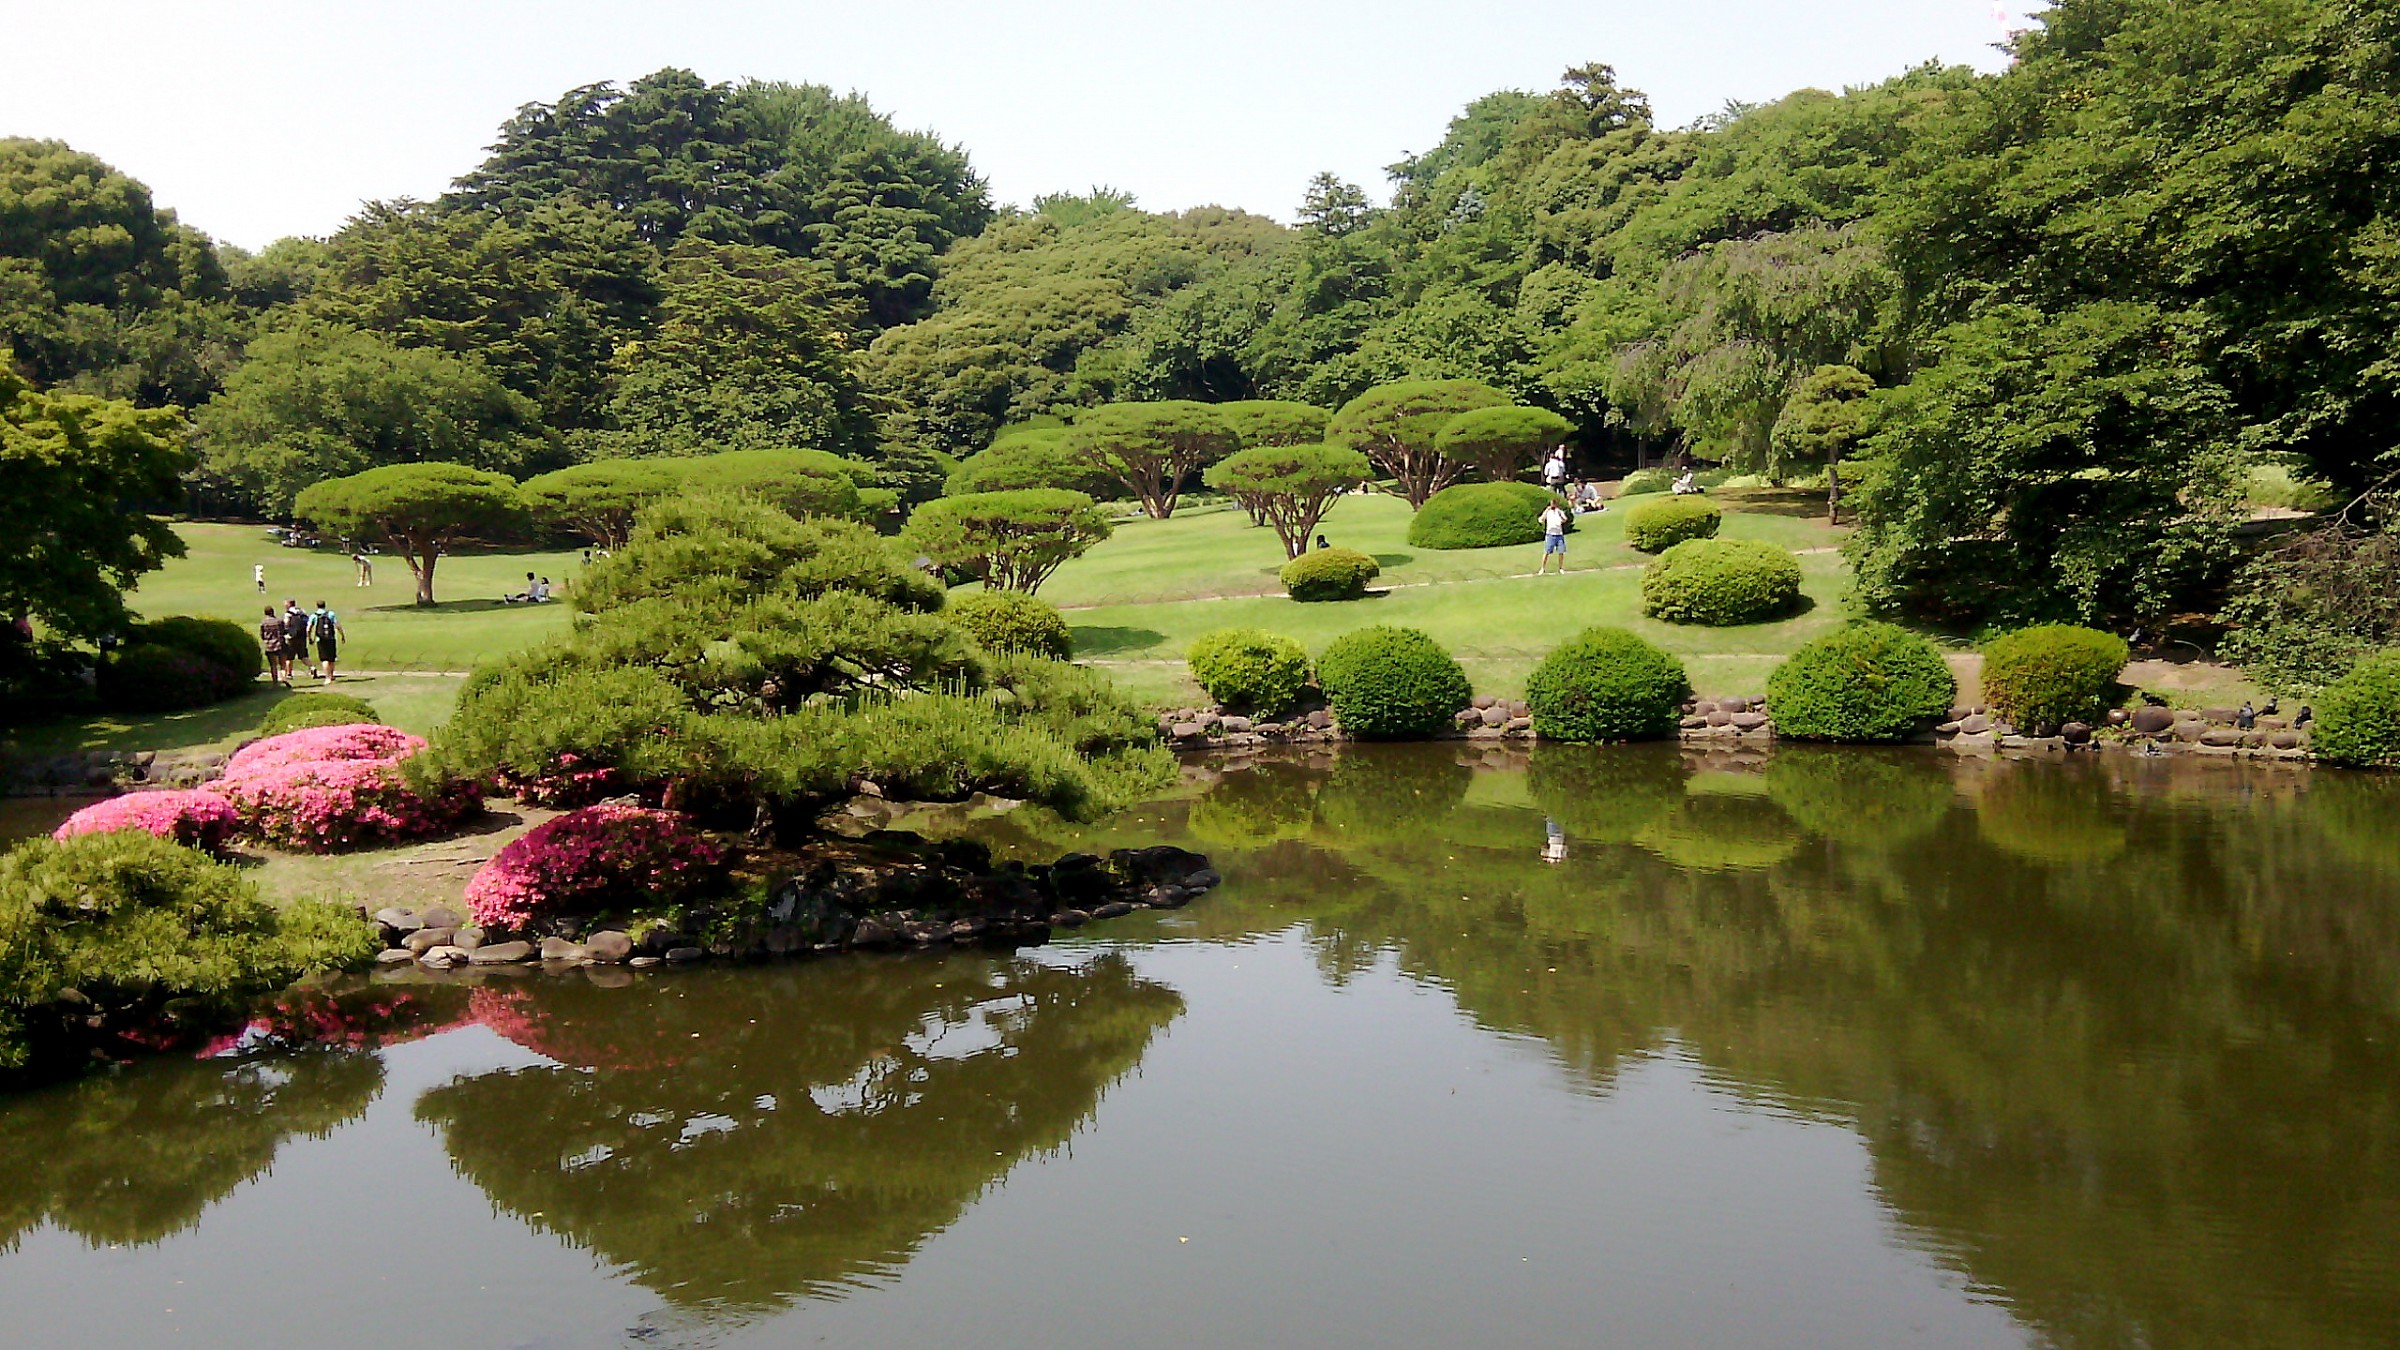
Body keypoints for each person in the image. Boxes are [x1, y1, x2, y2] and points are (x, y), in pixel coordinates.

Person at [308, 601, 343, 682]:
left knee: (324, 659)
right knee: (331, 658)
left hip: (320, 639)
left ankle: (327, 677)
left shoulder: (314, 616)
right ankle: (331, 674)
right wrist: (342, 635)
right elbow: (337, 625)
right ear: (325, 606)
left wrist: (309, 637)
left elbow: (309, 628)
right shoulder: (331, 614)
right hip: (331, 638)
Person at [1538, 498, 1571, 574]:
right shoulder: (1548, 512)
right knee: (1546, 552)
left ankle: (1561, 568)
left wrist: (1560, 514)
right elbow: (1541, 519)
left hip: (1559, 534)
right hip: (1550, 534)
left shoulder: (1559, 512)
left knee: (1561, 552)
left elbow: (1565, 519)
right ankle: (1542, 568)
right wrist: (1546, 511)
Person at [259, 605, 290, 684]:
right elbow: (284, 631)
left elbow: (262, 635)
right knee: (283, 664)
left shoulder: (263, 622)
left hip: (269, 645)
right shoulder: (279, 621)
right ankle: (284, 678)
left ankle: (275, 681)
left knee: (273, 665)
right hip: (280, 644)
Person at [280, 599, 311, 679]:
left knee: (289, 656)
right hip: (302, 635)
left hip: (292, 636)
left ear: (289, 604)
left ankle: (289, 673)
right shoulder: (301, 611)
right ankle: (312, 667)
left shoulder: (288, 613)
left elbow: (286, 624)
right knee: (303, 654)